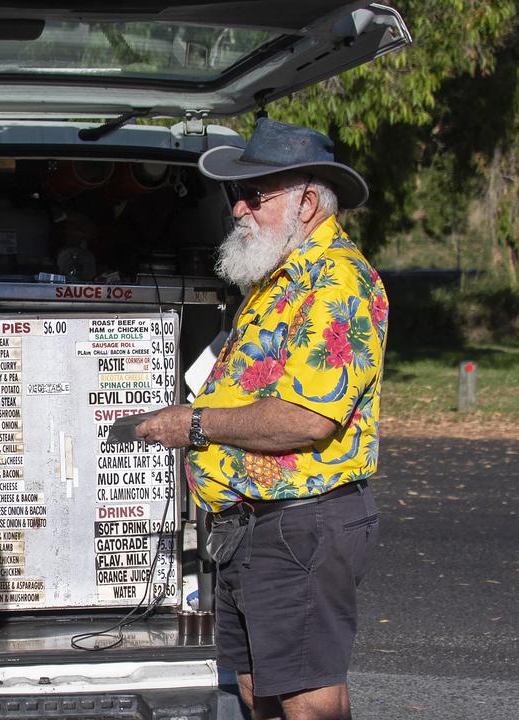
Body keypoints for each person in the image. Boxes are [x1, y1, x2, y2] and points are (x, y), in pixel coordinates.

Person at [136, 118, 388, 720]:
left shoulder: (338, 282)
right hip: (254, 526)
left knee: (306, 699)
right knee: (257, 690)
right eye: (236, 195)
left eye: (257, 193)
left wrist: (193, 425)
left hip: (300, 525)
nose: (240, 207)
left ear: (307, 202)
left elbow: (307, 419)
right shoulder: (277, 279)